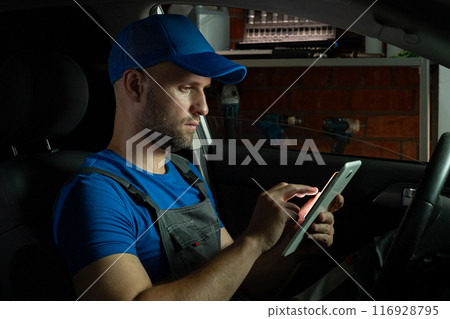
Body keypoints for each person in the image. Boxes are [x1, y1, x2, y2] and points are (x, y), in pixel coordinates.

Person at [53, 14, 343, 301]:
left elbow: (243, 282)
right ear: (135, 85)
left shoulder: (184, 173)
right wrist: (253, 241)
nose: (204, 107)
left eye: (204, 90)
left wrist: (295, 251)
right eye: (186, 87)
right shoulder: (97, 194)